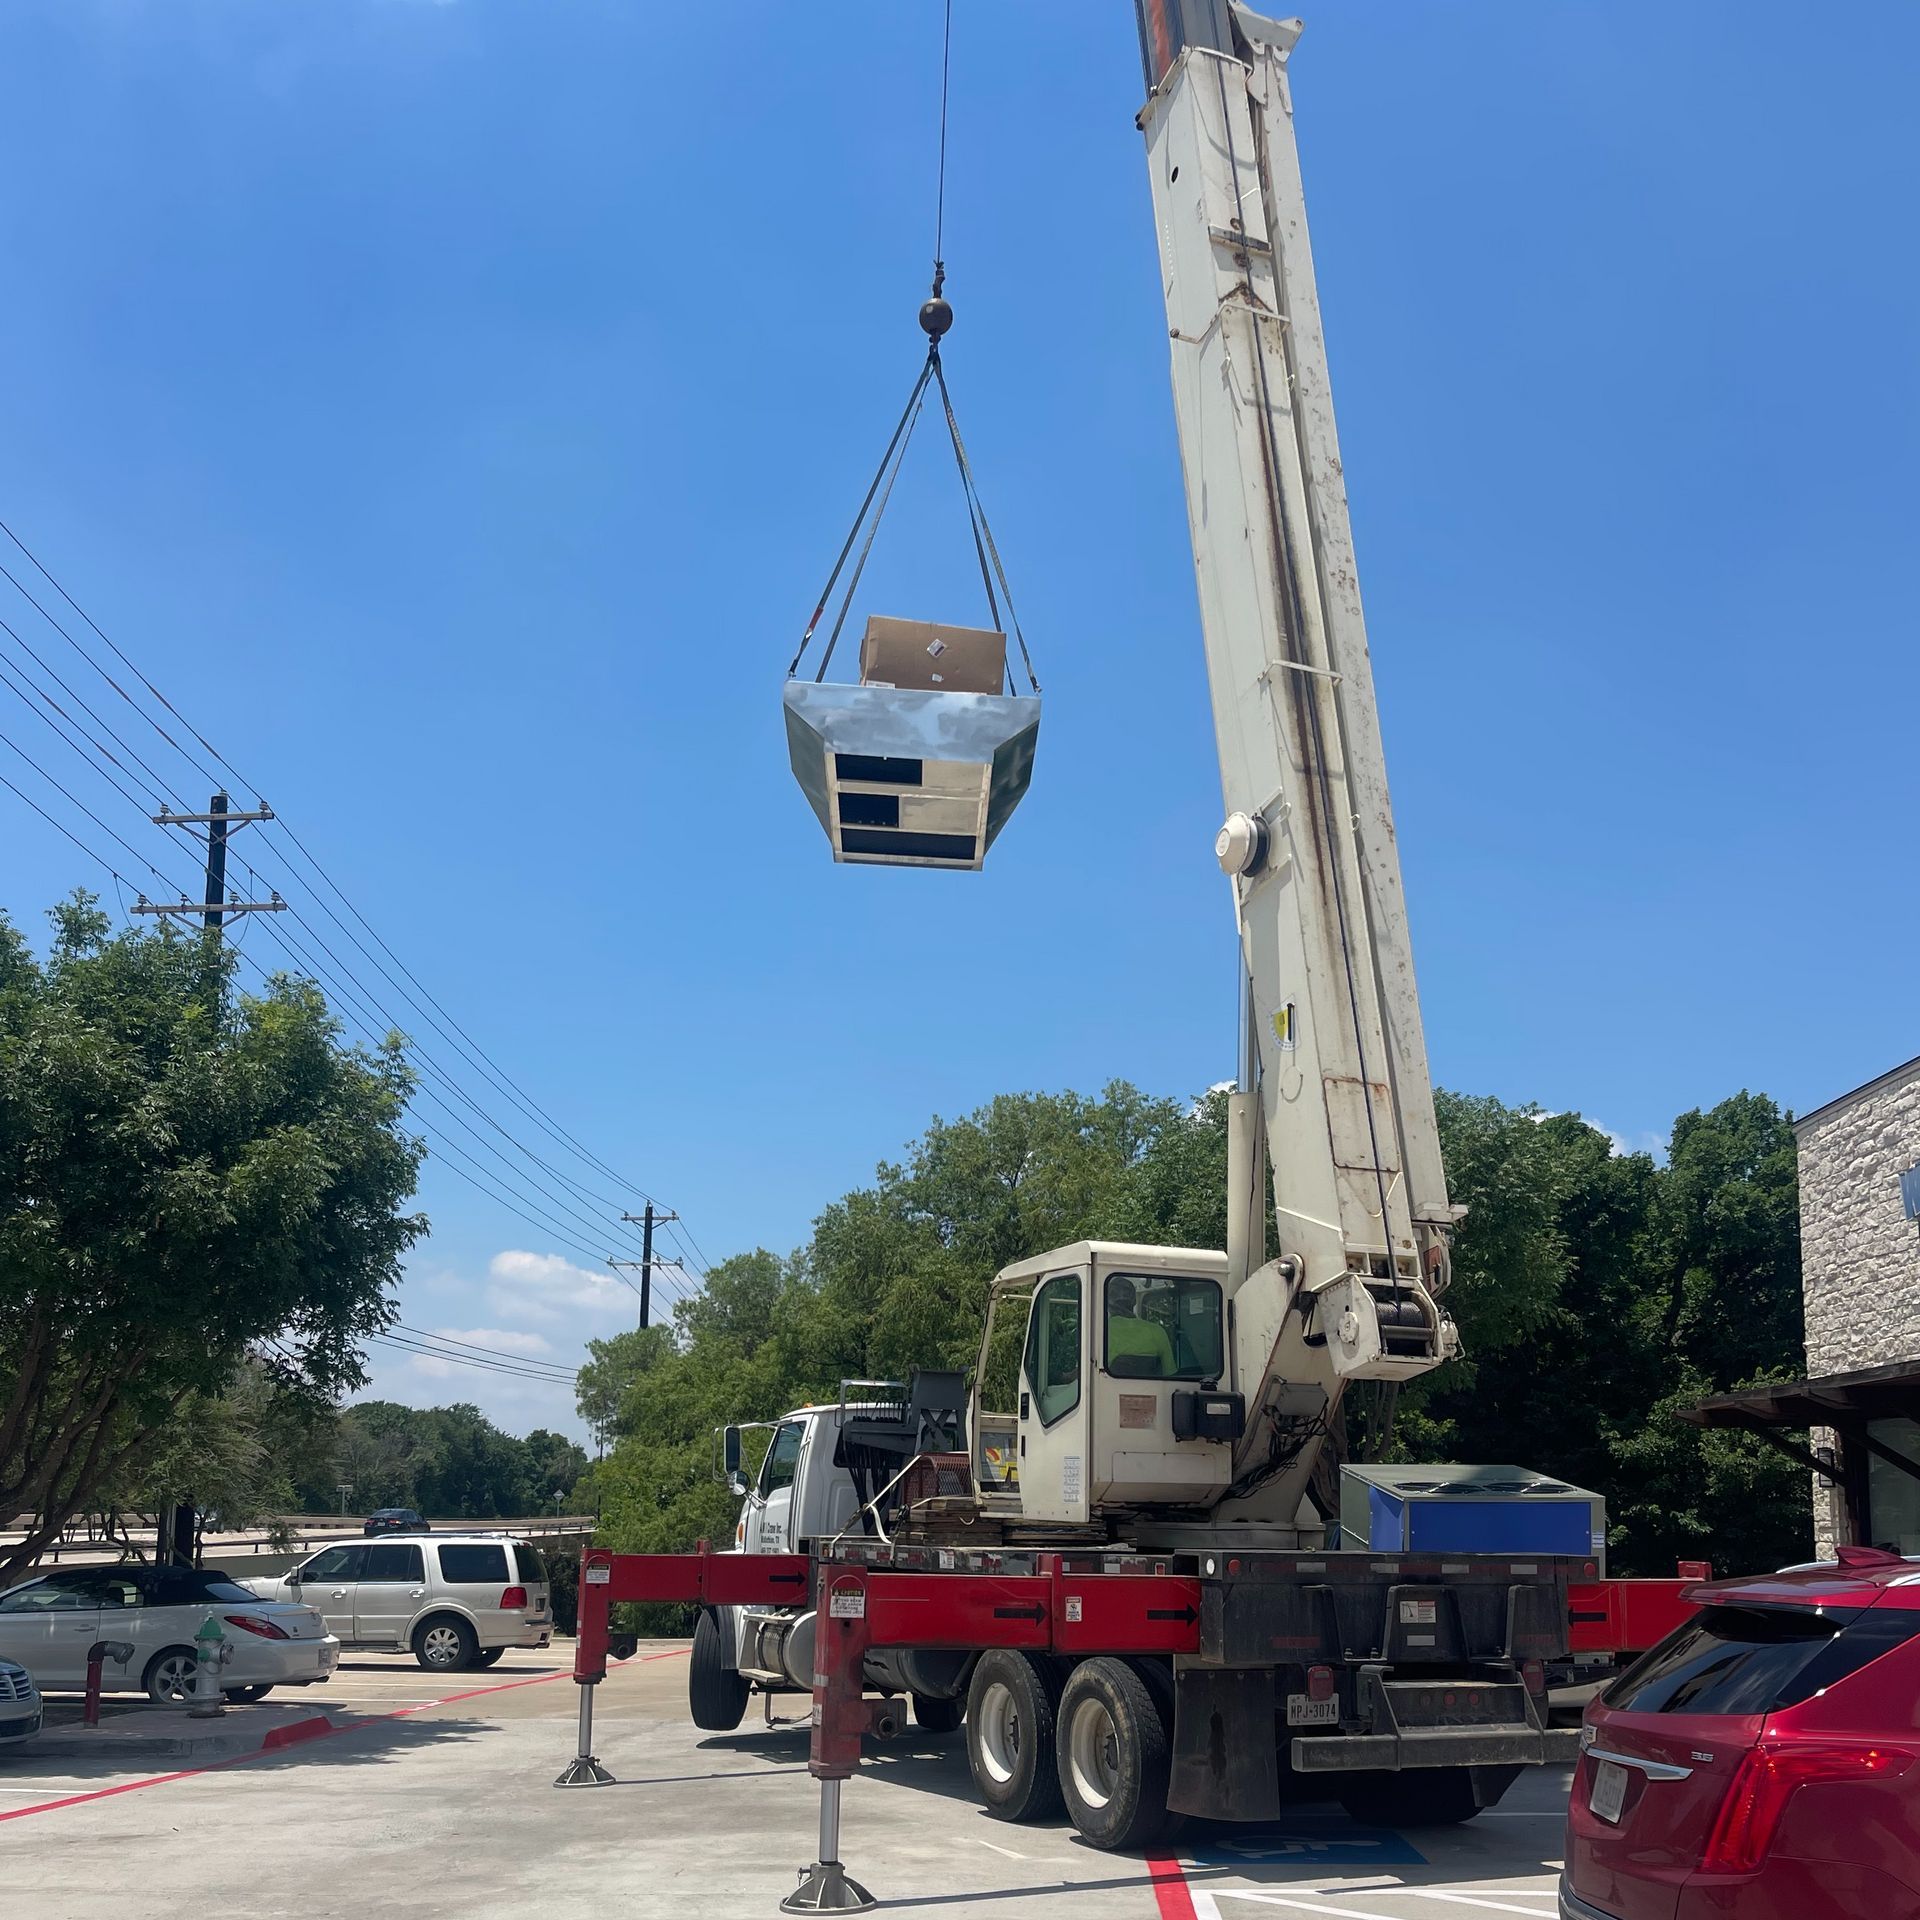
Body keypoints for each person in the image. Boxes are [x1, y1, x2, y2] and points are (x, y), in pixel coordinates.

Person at [1107, 1276, 1177, 1376]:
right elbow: (1169, 1373)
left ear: (1108, 1302)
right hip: (1152, 1390)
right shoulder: (1157, 1331)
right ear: (1134, 1301)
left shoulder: (1101, 1332)